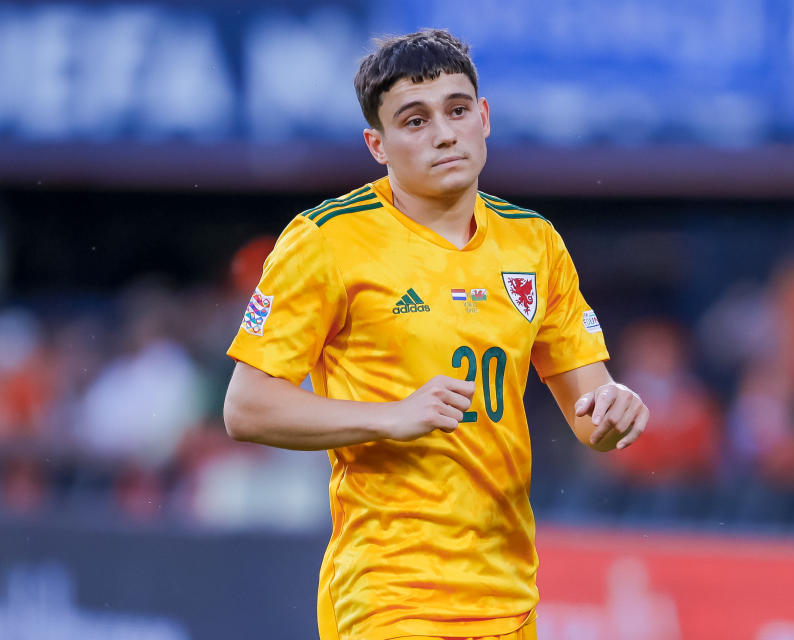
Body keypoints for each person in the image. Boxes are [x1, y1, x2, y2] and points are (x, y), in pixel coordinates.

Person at [223, 29, 649, 640]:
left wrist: (616, 412)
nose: (445, 133)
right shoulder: (327, 241)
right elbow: (247, 407)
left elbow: (590, 419)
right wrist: (390, 416)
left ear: (484, 117)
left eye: (457, 110)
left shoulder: (534, 243)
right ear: (378, 144)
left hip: (509, 593)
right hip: (388, 594)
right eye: (414, 120)